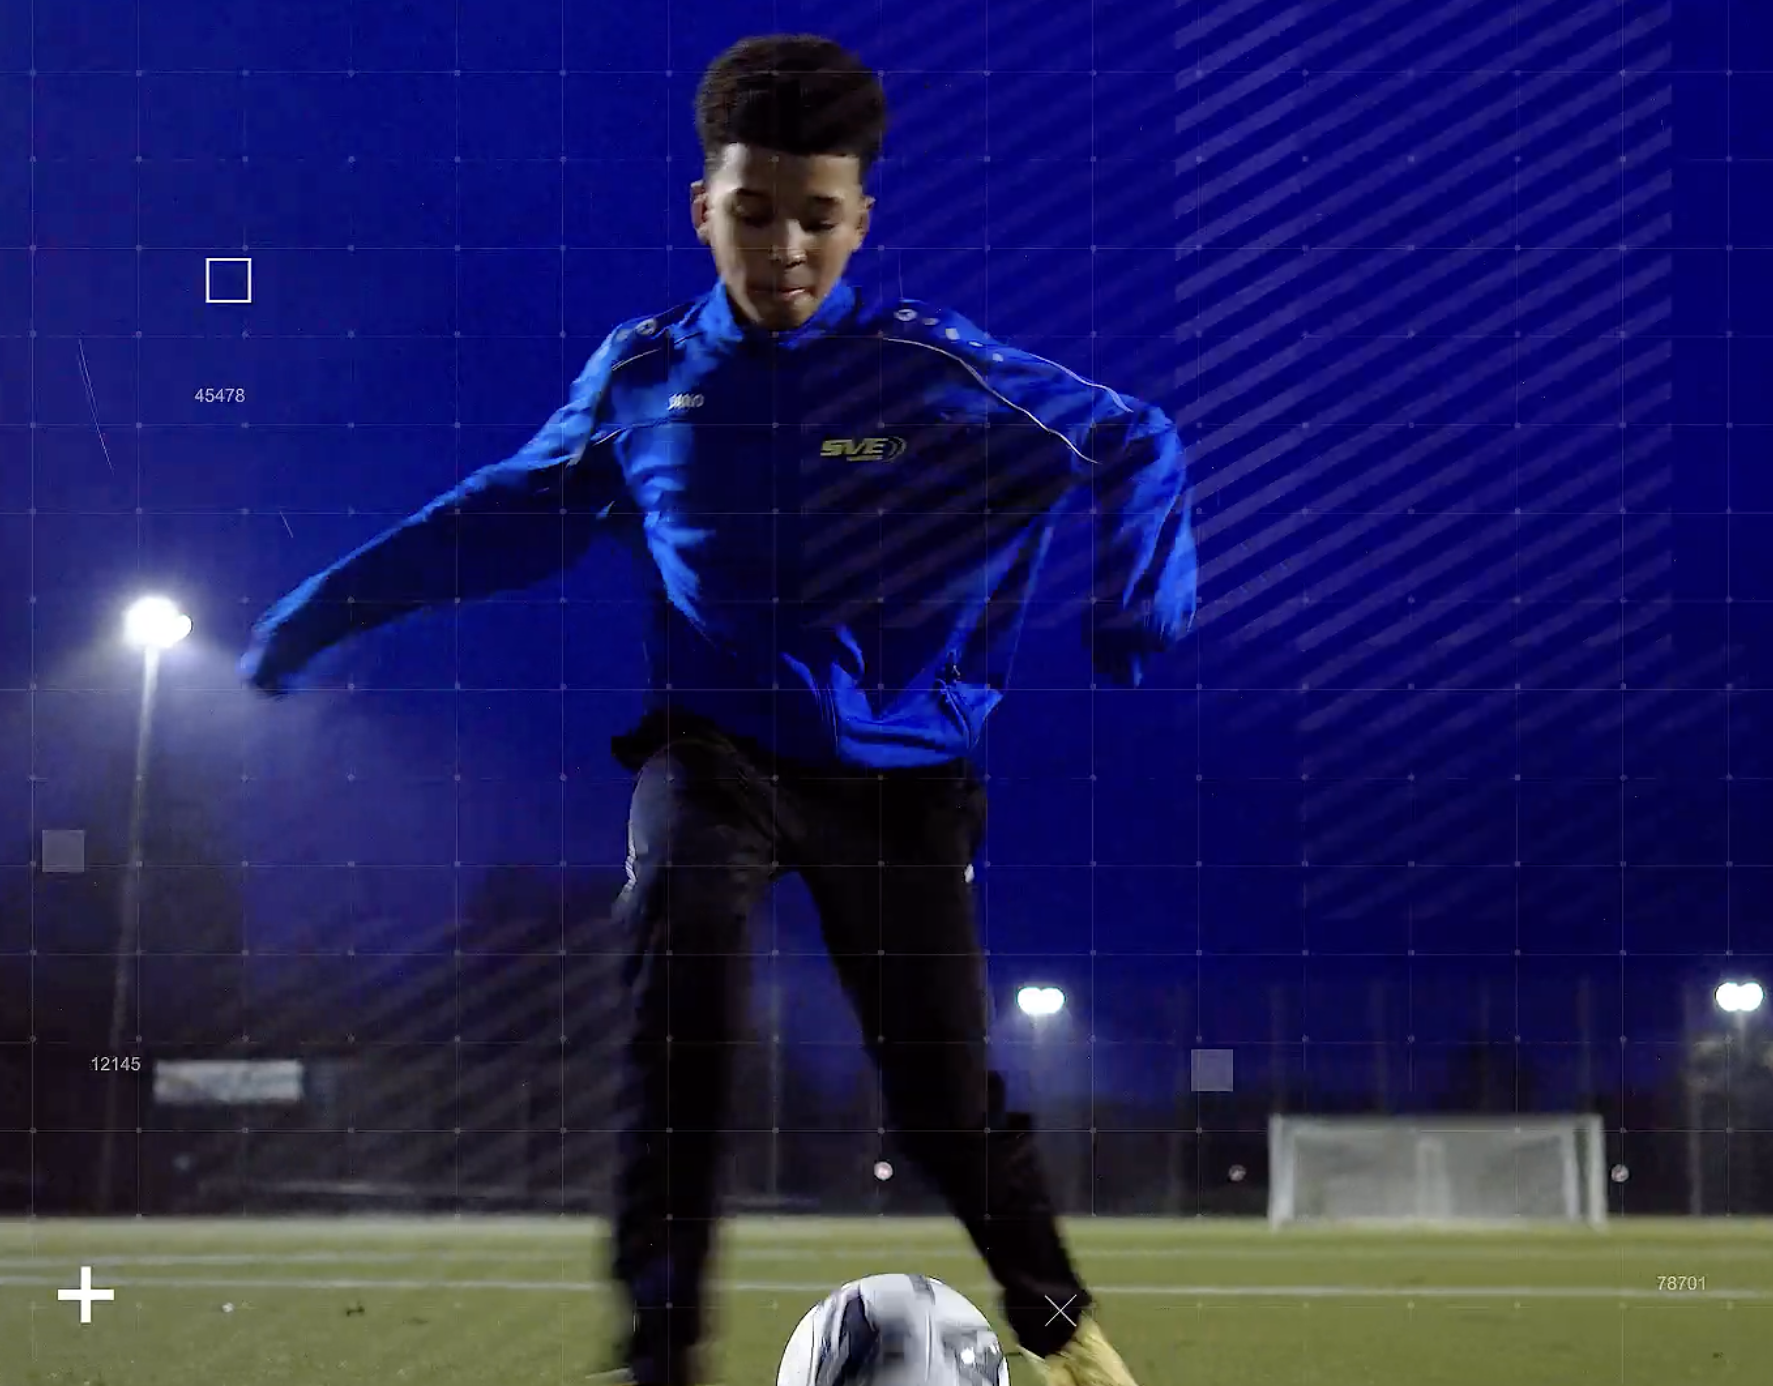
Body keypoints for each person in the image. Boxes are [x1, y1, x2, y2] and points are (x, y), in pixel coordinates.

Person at [237, 31, 1195, 1386]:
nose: (785, 249)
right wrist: (326, 607)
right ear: (703, 210)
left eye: (817, 216)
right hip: (715, 750)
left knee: (940, 1095)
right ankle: (661, 1351)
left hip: (901, 778)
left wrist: (1138, 597)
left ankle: (1060, 1330)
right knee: (674, 1002)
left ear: (861, 221)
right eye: (753, 212)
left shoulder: (934, 372)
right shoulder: (644, 381)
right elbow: (497, 515)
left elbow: (1134, 436)